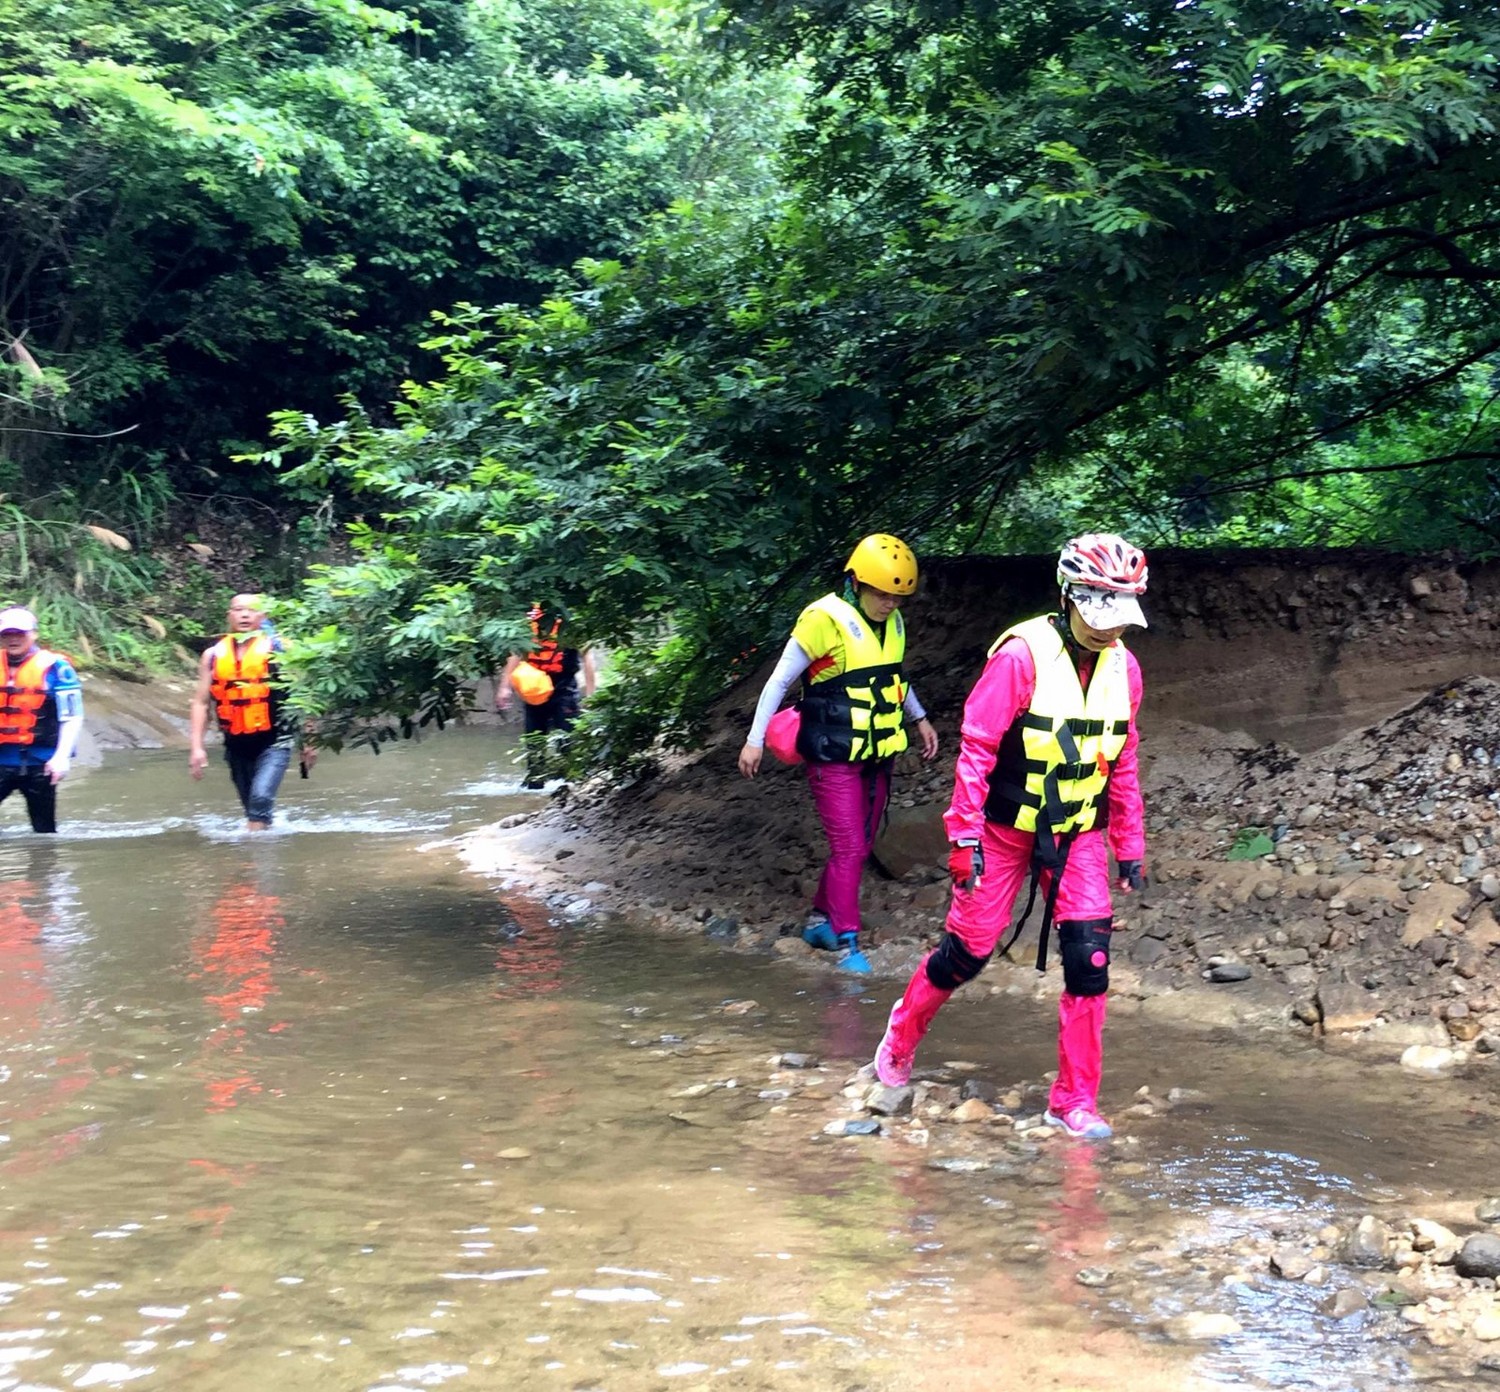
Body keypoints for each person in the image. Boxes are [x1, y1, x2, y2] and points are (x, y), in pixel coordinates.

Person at [872, 533, 1148, 1139]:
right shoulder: (1021, 657)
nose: (1110, 630)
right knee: (967, 952)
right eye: (1101, 614)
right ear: (1068, 595)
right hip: (1001, 830)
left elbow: (1121, 760)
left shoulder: (1125, 668)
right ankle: (900, 1036)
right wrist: (962, 838)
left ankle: (1074, 1101)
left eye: (1121, 617)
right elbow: (976, 752)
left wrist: (1129, 844)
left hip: (1076, 833)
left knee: (1090, 958)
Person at [738, 534, 940, 974]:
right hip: (833, 753)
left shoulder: (894, 624)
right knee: (848, 846)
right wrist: (755, 740)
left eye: (898, 597)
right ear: (856, 582)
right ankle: (848, 944)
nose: (890, 603)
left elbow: (893, 679)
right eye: (882, 594)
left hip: (877, 749)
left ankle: (818, 921)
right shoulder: (823, 619)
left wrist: (919, 717)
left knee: (861, 844)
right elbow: (777, 682)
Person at [189, 594, 316, 830]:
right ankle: (263, 850)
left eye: (252, 610)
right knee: (253, 811)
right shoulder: (213, 656)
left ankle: (251, 861)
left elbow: (302, 696)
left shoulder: (281, 650)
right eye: (238, 610)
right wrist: (197, 748)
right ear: (229, 615)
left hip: (275, 739)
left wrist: (309, 741)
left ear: (263, 616)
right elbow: (201, 703)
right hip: (236, 742)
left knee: (260, 800)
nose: (245, 614)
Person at [0, 607, 84, 834]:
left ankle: (45, 868)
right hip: (1, 761)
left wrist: (61, 757)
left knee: (44, 833)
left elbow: (72, 716)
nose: (13, 639)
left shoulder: (57, 669)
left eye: (20, 633)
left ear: (34, 634)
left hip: (41, 763)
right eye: (7, 634)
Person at [496, 604, 597, 789]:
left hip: (563, 685)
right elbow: (515, 655)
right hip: (534, 686)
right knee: (534, 740)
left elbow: (587, 658)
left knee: (568, 737)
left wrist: (591, 693)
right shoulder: (528, 623)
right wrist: (505, 687)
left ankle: (576, 783)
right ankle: (534, 785)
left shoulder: (570, 623)